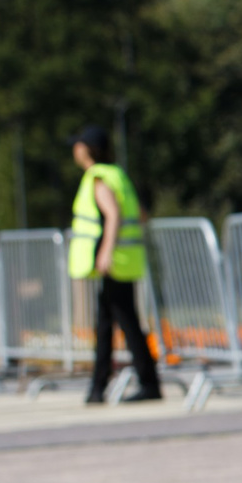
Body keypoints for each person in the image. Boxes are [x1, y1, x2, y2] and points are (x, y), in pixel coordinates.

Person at [68, 126, 163, 403]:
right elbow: (140, 214)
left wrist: (107, 250)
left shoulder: (98, 177)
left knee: (125, 323)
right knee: (108, 323)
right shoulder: (118, 175)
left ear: (87, 150)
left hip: (115, 263)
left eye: (78, 145)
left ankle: (145, 383)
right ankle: (99, 387)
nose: (75, 150)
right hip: (126, 259)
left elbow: (113, 214)